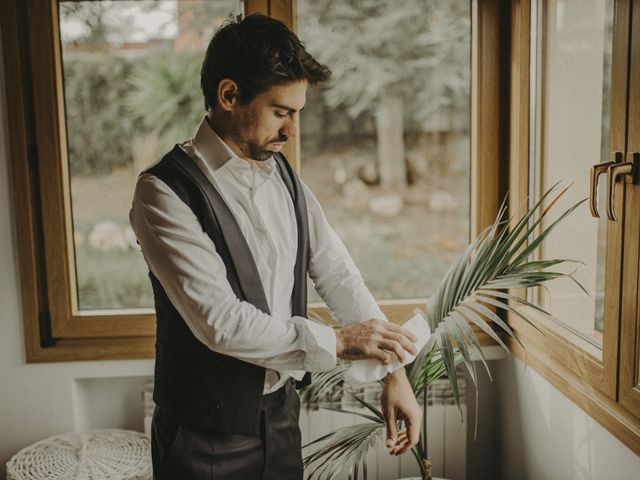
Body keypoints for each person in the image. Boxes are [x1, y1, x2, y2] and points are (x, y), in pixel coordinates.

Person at [129, 13, 422, 480]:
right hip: (203, 433)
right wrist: (339, 342)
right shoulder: (162, 193)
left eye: (296, 114)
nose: (290, 132)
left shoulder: (284, 176)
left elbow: (335, 270)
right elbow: (220, 323)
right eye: (280, 112)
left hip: (283, 417)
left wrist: (394, 373)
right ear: (229, 95)